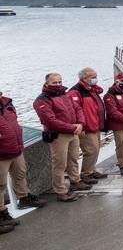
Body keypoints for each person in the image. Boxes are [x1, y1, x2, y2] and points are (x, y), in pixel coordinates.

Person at [33, 73, 88, 201]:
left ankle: (75, 181)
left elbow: (78, 108)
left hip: (73, 131)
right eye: (54, 83)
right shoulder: (41, 100)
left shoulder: (65, 95)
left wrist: (81, 123)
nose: (58, 85)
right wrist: (73, 127)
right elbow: (50, 121)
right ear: (46, 84)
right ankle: (61, 191)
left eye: (59, 82)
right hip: (59, 136)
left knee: (73, 158)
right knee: (59, 164)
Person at [0, 90, 46, 234]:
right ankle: (1, 214)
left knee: (20, 174)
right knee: (0, 184)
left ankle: (24, 198)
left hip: (16, 149)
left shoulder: (7, 103)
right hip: (1, 154)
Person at [68, 67, 107, 184]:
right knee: (91, 150)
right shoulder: (75, 92)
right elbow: (74, 111)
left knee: (96, 149)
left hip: (95, 125)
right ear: (84, 78)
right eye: (93, 77)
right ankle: (86, 174)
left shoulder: (91, 89)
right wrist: (82, 127)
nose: (96, 79)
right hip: (87, 128)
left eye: (96, 76)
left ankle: (91, 170)